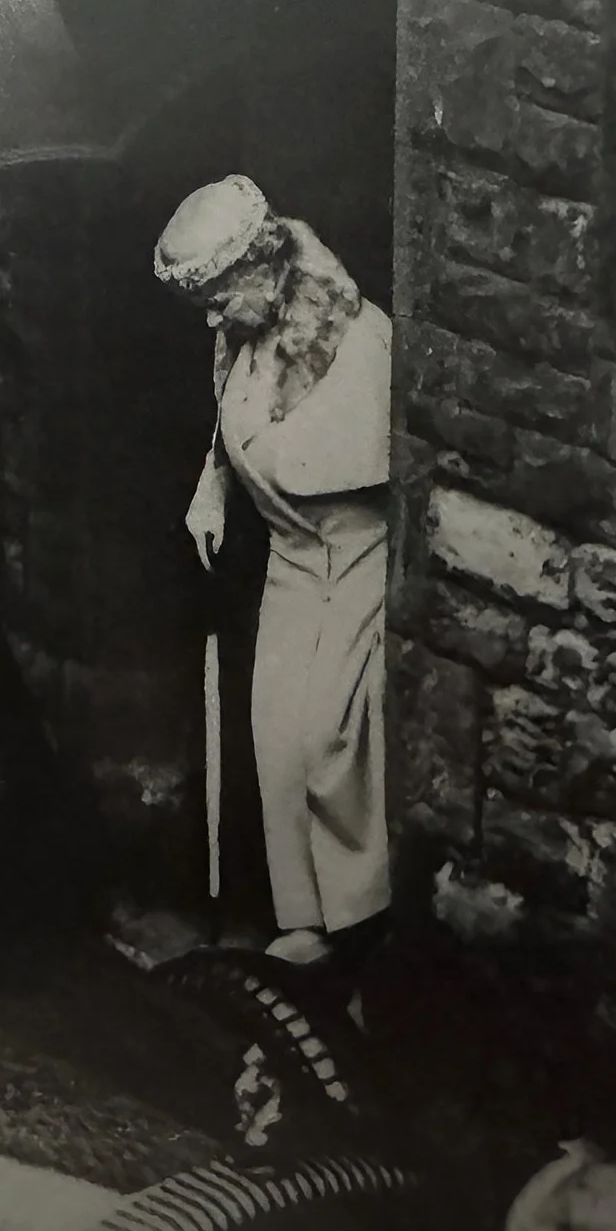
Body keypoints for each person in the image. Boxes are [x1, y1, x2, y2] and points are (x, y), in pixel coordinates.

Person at [155, 174, 391, 968]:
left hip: (352, 553)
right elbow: (230, 428)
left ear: (262, 267)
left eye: (221, 299)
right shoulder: (238, 336)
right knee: (276, 740)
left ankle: (363, 917)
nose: (215, 320)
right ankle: (306, 922)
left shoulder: (356, 342)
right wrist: (211, 490)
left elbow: (381, 470)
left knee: (331, 735)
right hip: (292, 557)